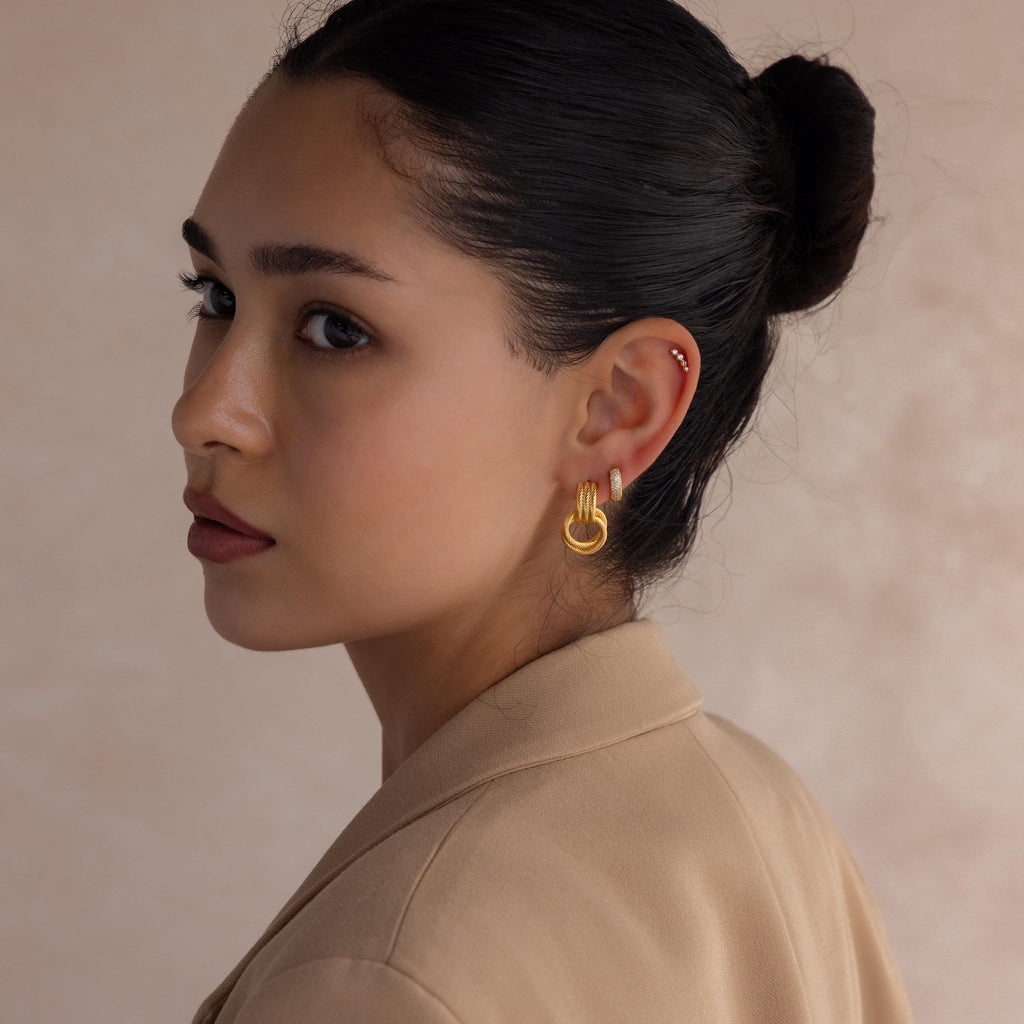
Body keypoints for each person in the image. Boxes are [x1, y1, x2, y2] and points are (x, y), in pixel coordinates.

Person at [171, 0, 914, 1020]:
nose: (205, 411)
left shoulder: (387, 978)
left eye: (335, 328)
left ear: (617, 407)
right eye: (213, 296)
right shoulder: (759, 821)